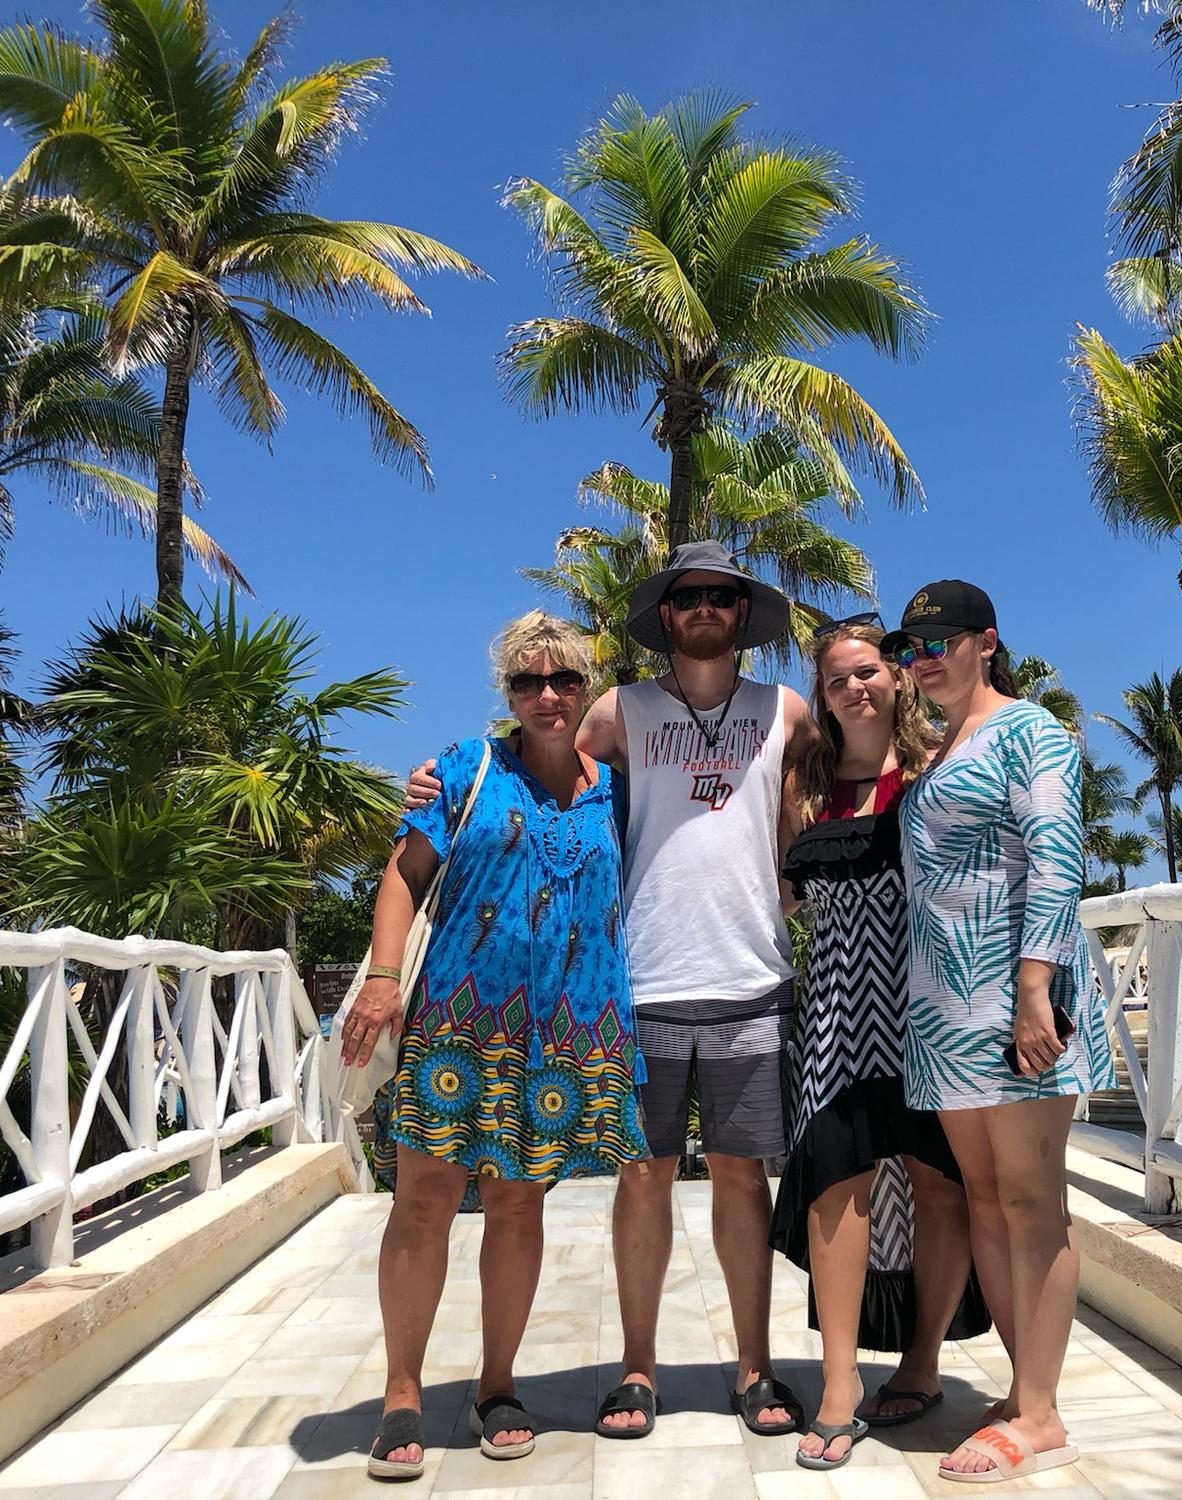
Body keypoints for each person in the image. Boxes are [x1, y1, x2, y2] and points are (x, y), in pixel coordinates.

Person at [405, 541, 815, 1439]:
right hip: (642, 984)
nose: (703, 607)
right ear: (664, 617)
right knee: (645, 1180)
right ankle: (637, 1368)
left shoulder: (784, 709)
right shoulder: (615, 711)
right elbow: (537, 763)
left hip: (753, 977)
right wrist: (435, 783)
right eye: (686, 596)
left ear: (741, 614)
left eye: (719, 595)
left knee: (744, 1181)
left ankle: (754, 1368)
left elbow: (840, 774)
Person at [343, 612, 648, 1481]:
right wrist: (380, 977)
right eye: (527, 682)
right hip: (457, 1024)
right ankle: (403, 1391)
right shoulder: (467, 769)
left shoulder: (617, 792)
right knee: (425, 1203)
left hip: (563, 1033)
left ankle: (498, 1383)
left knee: (519, 1206)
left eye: (563, 680)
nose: (547, 696)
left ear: (587, 689)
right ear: (506, 691)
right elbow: (403, 877)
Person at [881, 581, 1115, 1486]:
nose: (924, 658)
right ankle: (1026, 1392)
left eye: (940, 641)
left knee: (1030, 1201)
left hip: (1014, 999)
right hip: (941, 1011)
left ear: (986, 642)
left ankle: (1043, 1415)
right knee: (983, 1198)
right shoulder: (939, 749)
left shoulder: (1032, 731)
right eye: (913, 646)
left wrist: (1034, 989)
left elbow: (1058, 860)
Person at [772, 617, 990, 1472]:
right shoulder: (801, 786)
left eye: (868, 672)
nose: (855, 688)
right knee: (835, 1186)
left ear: (897, 679)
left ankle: (924, 1363)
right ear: (821, 696)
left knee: (940, 1185)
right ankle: (837, 1388)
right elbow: (782, 897)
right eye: (836, 680)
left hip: (929, 1008)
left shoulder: (939, 768)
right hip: (831, 1008)